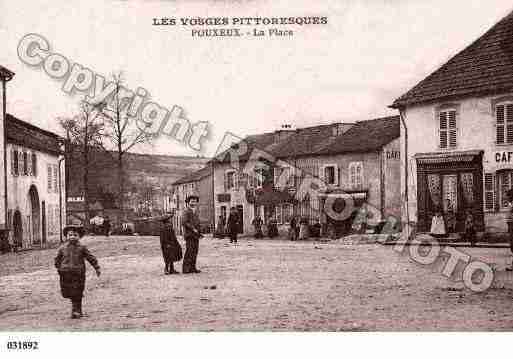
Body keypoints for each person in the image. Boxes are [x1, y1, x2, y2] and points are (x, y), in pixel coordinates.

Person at [54, 225, 101, 319]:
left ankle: (76, 310)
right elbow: (57, 259)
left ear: (79, 236)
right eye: (70, 235)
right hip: (65, 273)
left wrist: (97, 267)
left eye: (75, 235)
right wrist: (59, 268)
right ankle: (76, 309)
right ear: (66, 236)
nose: (72, 237)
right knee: (67, 292)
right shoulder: (62, 248)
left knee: (78, 291)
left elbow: (90, 257)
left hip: (78, 273)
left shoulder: (82, 247)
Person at [181, 195, 202, 274]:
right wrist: (193, 229)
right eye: (192, 201)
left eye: (195, 201)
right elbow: (184, 222)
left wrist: (199, 231)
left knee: (195, 251)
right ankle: (186, 269)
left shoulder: (195, 211)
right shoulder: (186, 211)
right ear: (188, 202)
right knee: (189, 251)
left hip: (196, 235)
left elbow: (198, 222)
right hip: (189, 234)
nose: (193, 202)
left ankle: (193, 268)